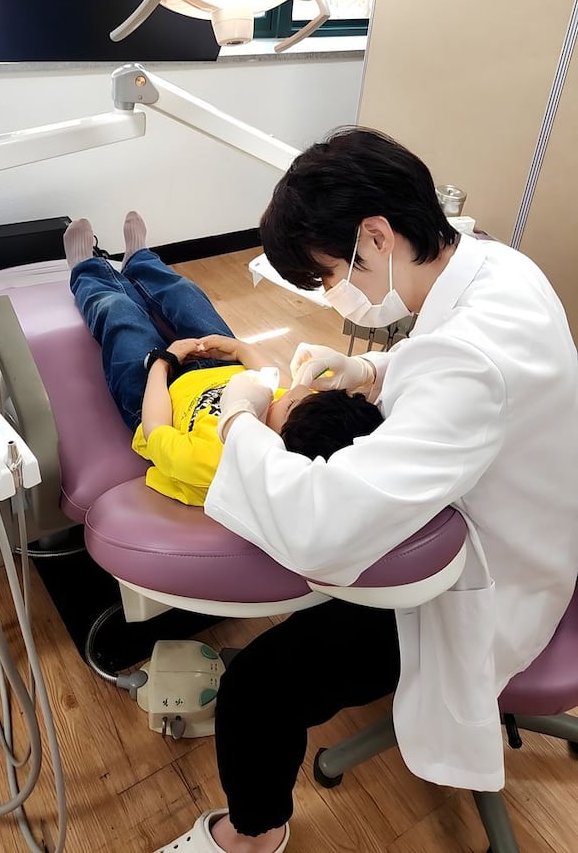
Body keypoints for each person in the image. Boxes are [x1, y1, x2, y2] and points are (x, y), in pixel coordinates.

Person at [158, 127, 578, 853]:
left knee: (258, 684)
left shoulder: (469, 364)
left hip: (486, 588)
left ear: (376, 236)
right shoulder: (499, 266)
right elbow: (450, 362)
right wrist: (374, 371)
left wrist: (239, 420)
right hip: (539, 522)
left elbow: (320, 524)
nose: (333, 293)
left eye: (328, 274)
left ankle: (251, 835)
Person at [64, 212, 383, 506]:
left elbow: (156, 428)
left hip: (158, 392)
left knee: (120, 315)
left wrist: (163, 363)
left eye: (288, 404)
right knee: (186, 296)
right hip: (220, 365)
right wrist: (238, 349)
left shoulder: (210, 462)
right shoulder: (302, 413)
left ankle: (86, 270)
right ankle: (140, 259)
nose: (291, 393)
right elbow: (276, 380)